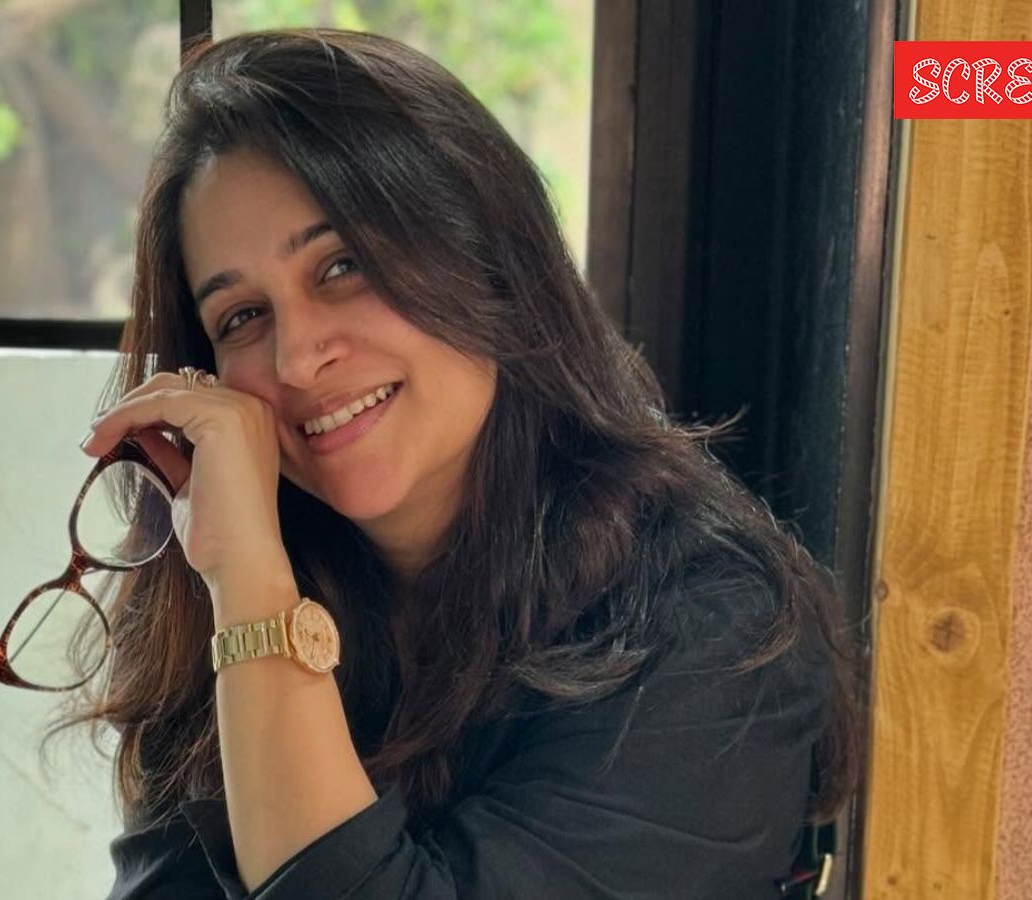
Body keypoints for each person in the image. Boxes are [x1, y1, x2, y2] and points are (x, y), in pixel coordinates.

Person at [68, 27, 861, 900]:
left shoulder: (712, 633)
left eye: (342, 266)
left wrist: (255, 598)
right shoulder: (260, 573)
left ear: (488, 256)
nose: (296, 360)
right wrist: (244, 580)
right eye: (242, 318)